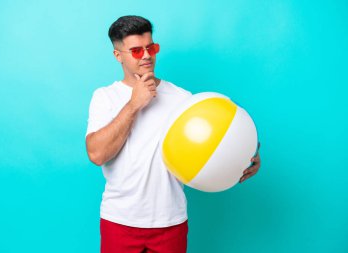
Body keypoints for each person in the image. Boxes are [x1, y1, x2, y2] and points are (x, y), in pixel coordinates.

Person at [85, 15, 261, 253]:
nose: (146, 56)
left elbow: (219, 133)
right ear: (118, 56)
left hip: (170, 221)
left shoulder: (182, 98)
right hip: (120, 220)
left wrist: (250, 153)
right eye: (136, 51)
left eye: (151, 47)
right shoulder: (105, 97)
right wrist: (134, 104)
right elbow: (97, 154)